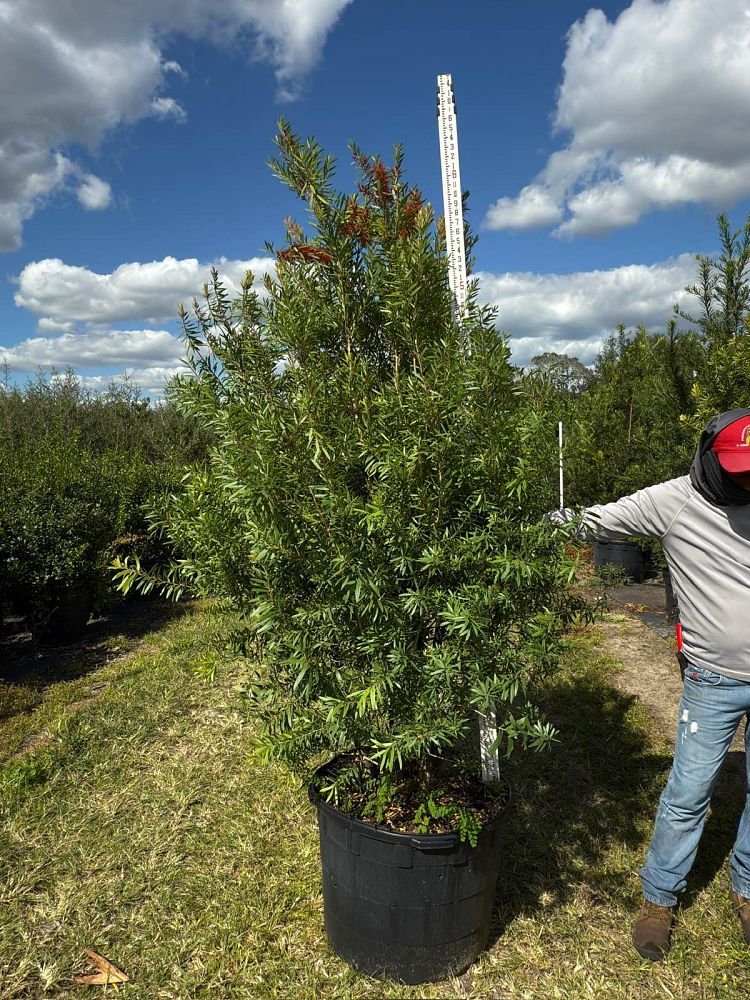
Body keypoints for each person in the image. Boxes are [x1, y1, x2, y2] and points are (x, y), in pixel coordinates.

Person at [553, 408, 750, 961]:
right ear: (709, 456)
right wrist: (512, 523)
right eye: (737, 469)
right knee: (688, 795)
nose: (746, 480)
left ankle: (748, 887)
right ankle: (659, 900)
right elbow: (595, 521)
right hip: (713, 678)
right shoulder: (675, 501)